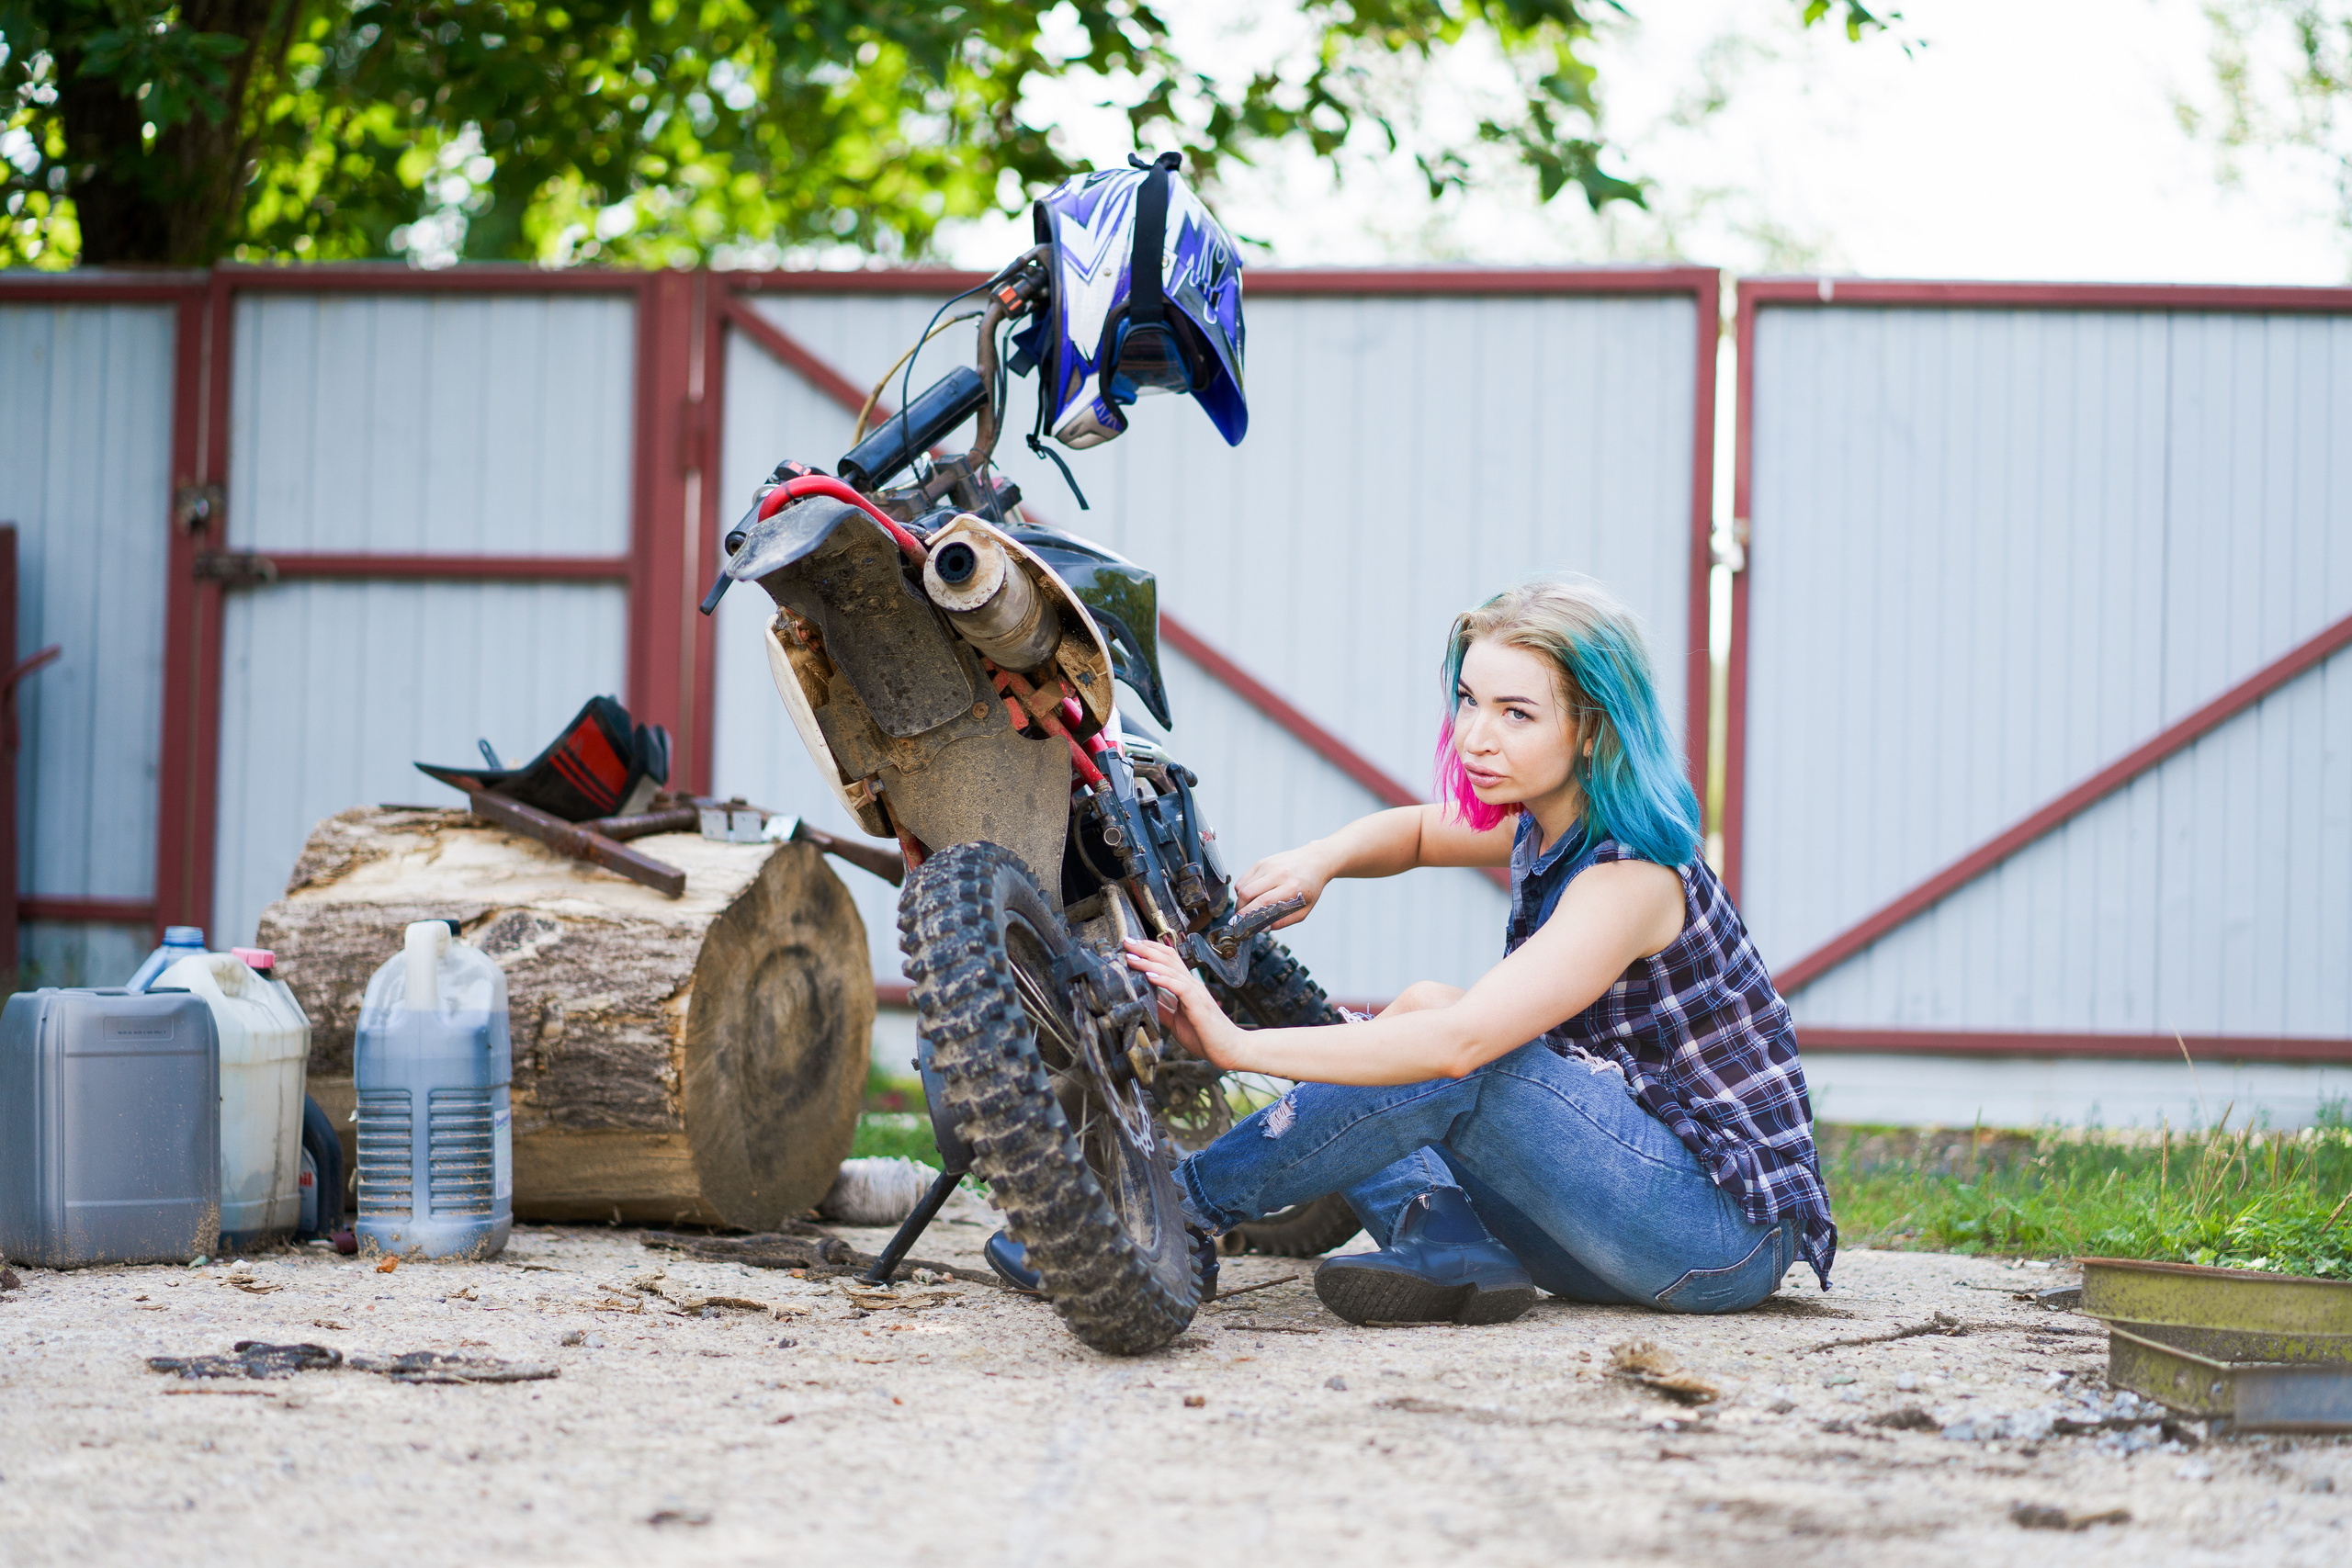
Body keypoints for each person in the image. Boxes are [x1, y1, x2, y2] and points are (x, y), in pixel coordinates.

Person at [1120, 574, 1836, 1326]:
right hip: (1615, 1214)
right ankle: (1447, 1237)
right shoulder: (1548, 817)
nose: (1475, 735)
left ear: (1592, 729)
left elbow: (1462, 1045)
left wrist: (1238, 1046)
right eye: (1469, 699)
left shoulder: (1631, 878)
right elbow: (1420, 834)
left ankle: (1172, 1207)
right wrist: (1320, 858)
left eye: (1516, 713)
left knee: (1450, 1045)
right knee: (1421, 1017)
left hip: (1718, 1234)